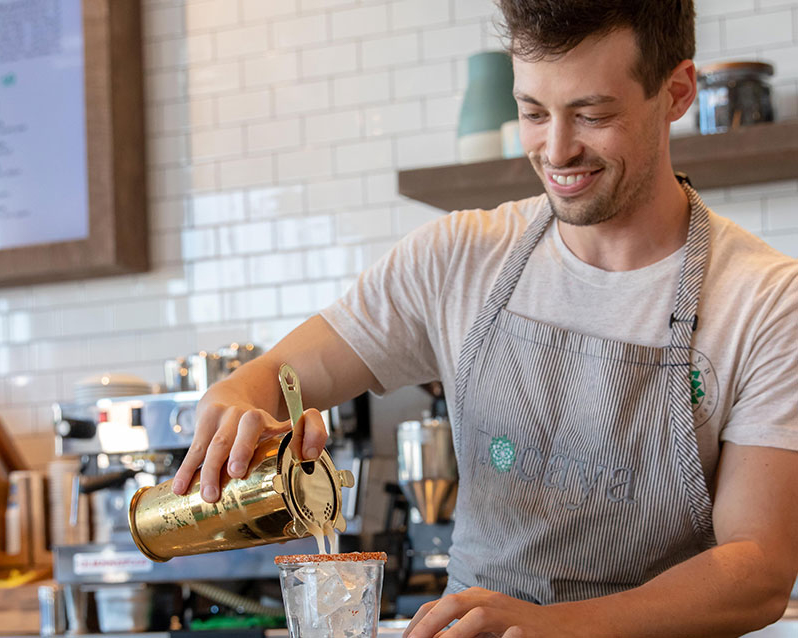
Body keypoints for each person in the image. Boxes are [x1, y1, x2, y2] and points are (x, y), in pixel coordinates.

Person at [172, 1, 798, 635]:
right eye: (532, 112)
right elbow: (278, 375)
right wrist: (235, 394)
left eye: (593, 114)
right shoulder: (458, 258)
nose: (556, 150)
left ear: (677, 92)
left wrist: (551, 628)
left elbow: (758, 570)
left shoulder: (766, 301)